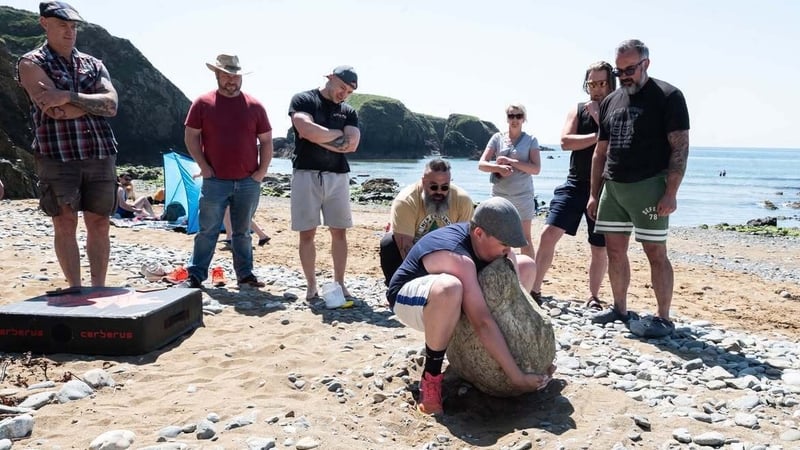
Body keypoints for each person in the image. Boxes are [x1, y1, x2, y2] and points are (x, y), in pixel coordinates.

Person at [387, 197, 555, 415]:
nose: (507, 250)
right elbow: (482, 322)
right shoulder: (459, 257)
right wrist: (517, 378)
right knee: (450, 288)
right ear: (478, 234)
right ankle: (431, 379)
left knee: (525, 266)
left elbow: (517, 305)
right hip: (408, 299)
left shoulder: (492, 243)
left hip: (447, 302)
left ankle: (506, 358)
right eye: (504, 244)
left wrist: (537, 355)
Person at [587, 39, 690, 338]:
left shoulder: (669, 96)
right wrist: (595, 193)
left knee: (655, 251)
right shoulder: (611, 101)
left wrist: (671, 192)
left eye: (630, 69)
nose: (624, 76)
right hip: (614, 187)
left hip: (650, 186)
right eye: (619, 72)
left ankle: (663, 318)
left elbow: (680, 148)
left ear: (646, 63)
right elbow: (600, 151)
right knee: (615, 251)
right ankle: (619, 308)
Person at [16, 1, 119, 289]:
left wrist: (67, 95)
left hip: (99, 151)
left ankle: (99, 287)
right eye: (62, 25)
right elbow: (54, 111)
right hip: (56, 155)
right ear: (44, 24)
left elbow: (111, 105)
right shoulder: (31, 63)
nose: (69, 32)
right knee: (64, 222)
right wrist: (87, 102)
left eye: (73, 26)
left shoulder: (93, 64)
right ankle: (75, 287)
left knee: (99, 222)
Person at [181, 54, 273, 289]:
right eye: (226, 75)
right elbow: (191, 136)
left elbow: (266, 141)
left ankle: (245, 275)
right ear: (217, 75)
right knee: (207, 231)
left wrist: (261, 172)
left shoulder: (255, 105)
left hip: (248, 181)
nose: (231, 80)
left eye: (235, 76)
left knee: (242, 232)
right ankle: (196, 275)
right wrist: (203, 166)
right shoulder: (202, 103)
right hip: (215, 181)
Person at [531, 62, 616, 308]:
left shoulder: (619, 110)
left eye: (602, 83)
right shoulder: (578, 110)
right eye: (592, 84)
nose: (597, 89)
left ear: (611, 83)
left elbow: (616, 145)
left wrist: (601, 120)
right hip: (575, 182)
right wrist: (598, 135)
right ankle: (534, 291)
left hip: (604, 187)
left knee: (598, 246)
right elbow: (566, 142)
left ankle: (594, 297)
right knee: (548, 234)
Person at [288, 66, 360, 301]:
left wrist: (320, 136)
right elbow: (305, 129)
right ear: (329, 78)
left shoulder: (348, 111)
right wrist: (334, 134)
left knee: (340, 232)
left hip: (337, 176)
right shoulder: (304, 99)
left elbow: (351, 144)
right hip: (305, 174)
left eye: (349, 91)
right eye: (342, 87)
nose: (344, 94)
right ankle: (311, 286)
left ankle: (339, 283)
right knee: (306, 233)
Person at [379, 158, 474, 285]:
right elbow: (405, 249)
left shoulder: (463, 201)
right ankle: (396, 289)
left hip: (447, 254)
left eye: (445, 187)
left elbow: (464, 242)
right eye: (433, 187)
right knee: (389, 243)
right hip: (414, 254)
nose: (439, 192)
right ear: (423, 182)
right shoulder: (406, 201)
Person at [478, 104, 541, 261]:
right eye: (511, 116)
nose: (515, 120)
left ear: (524, 119)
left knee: (524, 239)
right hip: (499, 197)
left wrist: (511, 162)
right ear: (507, 118)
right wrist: (498, 167)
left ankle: (529, 278)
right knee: (498, 238)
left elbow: (536, 168)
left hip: (523, 196)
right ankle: (502, 273)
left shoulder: (531, 140)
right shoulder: (497, 138)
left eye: (518, 116)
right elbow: (482, 164)